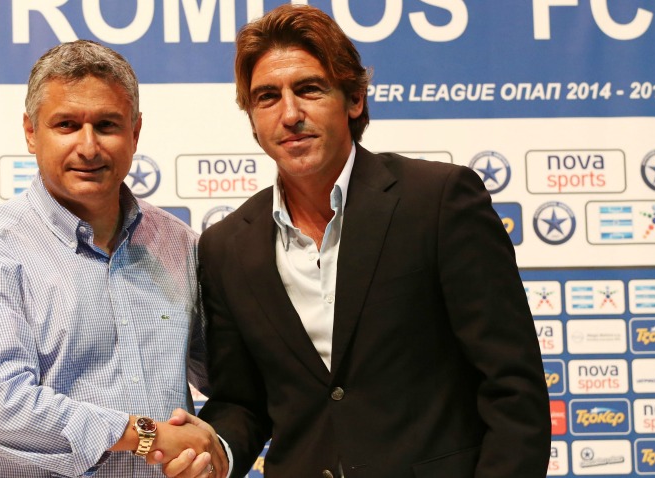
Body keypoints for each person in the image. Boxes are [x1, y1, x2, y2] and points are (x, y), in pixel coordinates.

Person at [164, 5, 550, 478]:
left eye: (309, 89)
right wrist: (216, 451)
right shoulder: (226, 247)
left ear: (354, 99)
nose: (290, 114)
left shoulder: (438, 201)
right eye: (267, 97)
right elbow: (244, 401)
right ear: (252, 117)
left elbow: (513, 388)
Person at [0, 40, 225, 477]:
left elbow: (230, 380)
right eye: (67, 125)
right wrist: (141, 433)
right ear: (31, 132)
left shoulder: (178, 244)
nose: (88, 147)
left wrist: (213, 449)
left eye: (107, 125)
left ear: (135, 133)